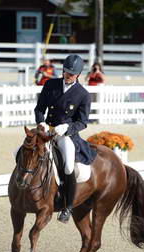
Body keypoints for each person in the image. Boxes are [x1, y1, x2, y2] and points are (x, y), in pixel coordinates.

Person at [34, 54, 97, 223]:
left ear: (78, 75)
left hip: (65, 135)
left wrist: (67, 128)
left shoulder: (83, 94)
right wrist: (41, 122)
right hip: (46, 130)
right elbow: (39, 108)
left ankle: (68, 206)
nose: (68, 76)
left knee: (69, 165)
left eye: (71, 74)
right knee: (22, 151)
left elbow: (82, 122)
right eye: (66, 72)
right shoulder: (50, 84)